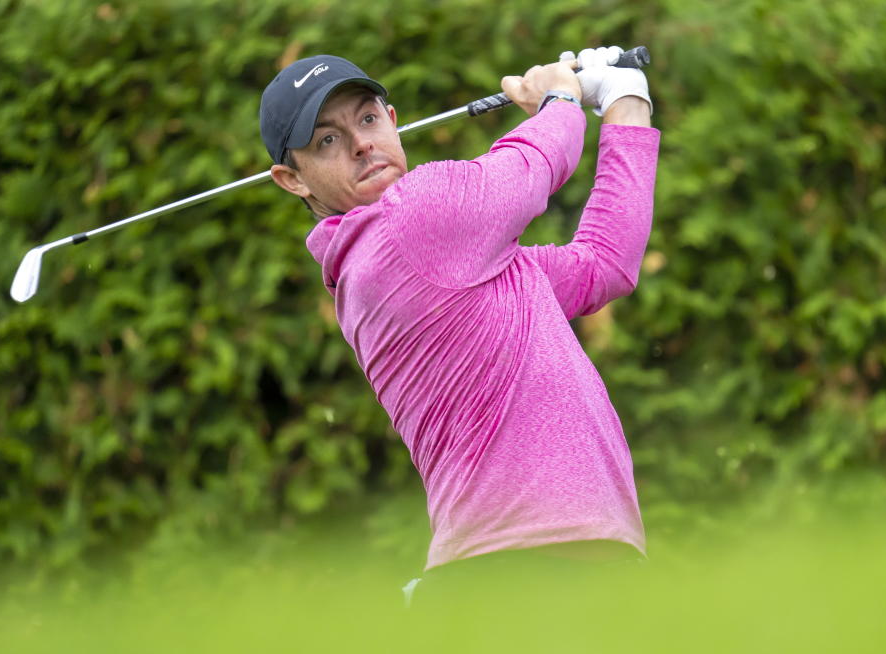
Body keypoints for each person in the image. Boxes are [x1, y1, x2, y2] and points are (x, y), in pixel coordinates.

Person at [258, 48, 659, 602]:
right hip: (523, 575)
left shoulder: (441, 266)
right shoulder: (409, 222)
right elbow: (538, 162)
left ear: (393, 121)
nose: (360, 145)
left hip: (540, 570)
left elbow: (604, 265)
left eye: (368, 119)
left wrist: (626, 100)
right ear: (292, 179)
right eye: (326, 140)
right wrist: (560, 94)